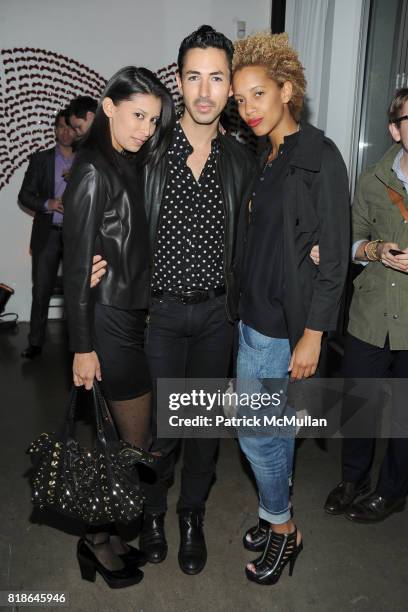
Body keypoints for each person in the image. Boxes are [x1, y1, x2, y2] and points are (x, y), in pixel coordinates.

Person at [91, 25, 256, 575]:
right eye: (193, 77)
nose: (205, 91)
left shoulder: (241, 160)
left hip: (215, 317)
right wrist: (95, 253)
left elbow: (264, 232)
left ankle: (191, 516)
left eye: (216, 77)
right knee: (158, 432)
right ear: (178, 82)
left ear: (230, 85)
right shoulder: (149, 151)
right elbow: (106, 200)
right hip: (157, 315)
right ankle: (154, 513)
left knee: (204, 431)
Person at [231, 32, 350, 585]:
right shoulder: (268, 155)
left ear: (287, 90)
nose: (248, 108)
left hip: (284, 329)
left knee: (255, 433)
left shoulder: (319, 155)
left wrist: (313, 335)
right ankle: (271, 512)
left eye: (258, 94)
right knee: (272, 432)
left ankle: (283, 529)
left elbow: (334, 262)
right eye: (240, 100)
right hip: (252, 319)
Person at [62, 66, 175, 588]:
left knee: (119, 445)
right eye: (137, 115)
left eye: (153, 119)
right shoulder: (92, 169)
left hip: (130, 317)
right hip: (107, 323)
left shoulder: (128, 160)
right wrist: (82, 349)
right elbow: (76, 267)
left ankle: (101, 537)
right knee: (136, 444)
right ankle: (94, 537)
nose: (145, 128)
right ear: (108, 106)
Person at [324, 88, 408, 523]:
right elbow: (350, 242)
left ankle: (391, 490)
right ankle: (352, 479)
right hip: (371, 315)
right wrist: (376, 251)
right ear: (395, 128)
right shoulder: (372, 177)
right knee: (359, 404)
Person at [19, 109, 75, 358]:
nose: (65, 132)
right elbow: (25, 195)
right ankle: (36, 342)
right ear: (54, 129)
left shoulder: (87, 159)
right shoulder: (40, 159)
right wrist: (48, 204)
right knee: (41, 289)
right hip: (48, 234)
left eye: (70, 127)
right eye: (60, 127)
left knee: (79, 292)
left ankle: (79, 344)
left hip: (78, 235)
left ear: (77, 129)